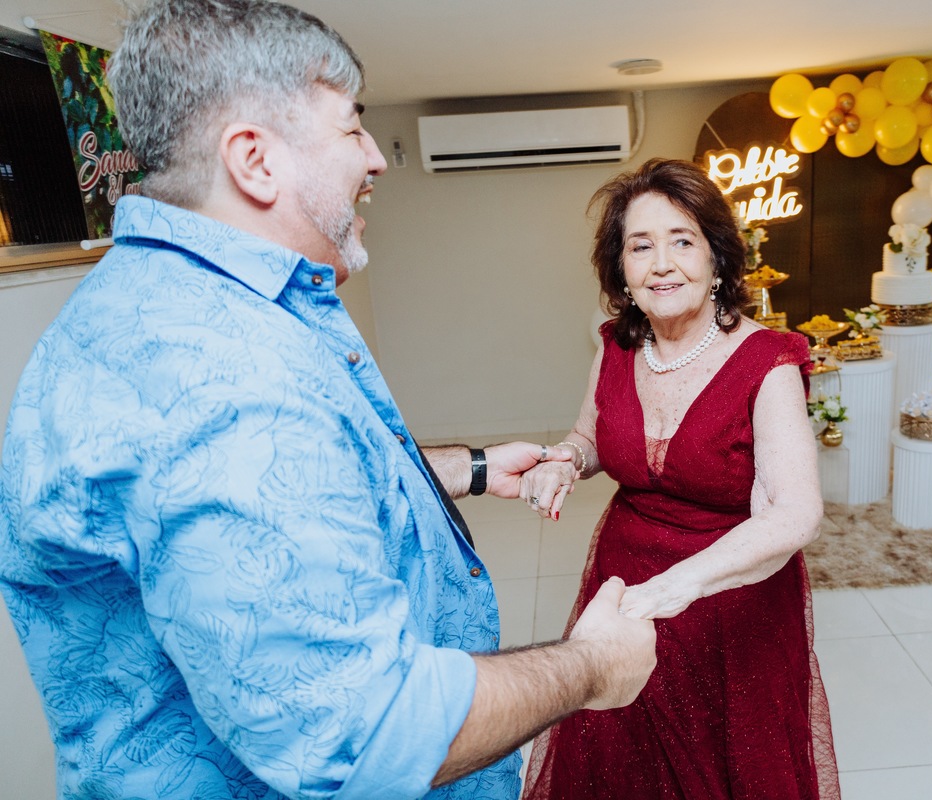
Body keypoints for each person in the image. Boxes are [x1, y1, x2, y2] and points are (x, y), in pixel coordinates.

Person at [0, 1, 656, 799]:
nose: (377, 157)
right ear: (255, 160)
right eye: (352, 127)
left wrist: (464, 469)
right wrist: (591, 667)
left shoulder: (184, 304)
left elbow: (300, 477)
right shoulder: (215, 376)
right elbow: (365, 733)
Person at [518, 158, 840, 799]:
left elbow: (795, 511)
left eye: (682, 241)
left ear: (718, 258)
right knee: (622, 761)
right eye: (641, 246)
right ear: (622, 269)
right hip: (624, 588)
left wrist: (676, 587)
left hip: (729, 600)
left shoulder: (766, 363)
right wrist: (563, 461)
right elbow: (591, 438)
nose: (661, 263)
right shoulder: (617, 346)